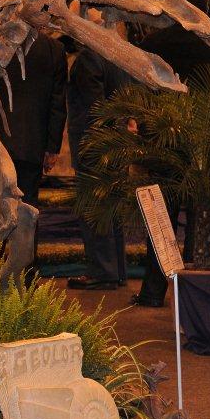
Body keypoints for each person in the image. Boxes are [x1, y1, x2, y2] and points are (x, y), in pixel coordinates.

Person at [131, 0, 210, 307]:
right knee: (200, 217)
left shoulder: (155, 42)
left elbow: (143, 85)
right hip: (205, 144)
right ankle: (194, 294)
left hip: (165, 140)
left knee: (160, 219)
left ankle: (153, 292)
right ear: (205, 7)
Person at [0, 29, 67, 277]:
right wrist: (52, 147)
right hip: (32, 142)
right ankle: (26, 275)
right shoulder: (54, 49)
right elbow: (57, 102)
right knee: (28, 210)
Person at [66, 39, 133, 291]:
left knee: (94, 208)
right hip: (116, 141)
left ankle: (102, 271)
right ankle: (117, 271)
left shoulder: (88, 59)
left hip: (94, 144)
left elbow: (94, 108)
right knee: (112, 209)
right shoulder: (117, 57)